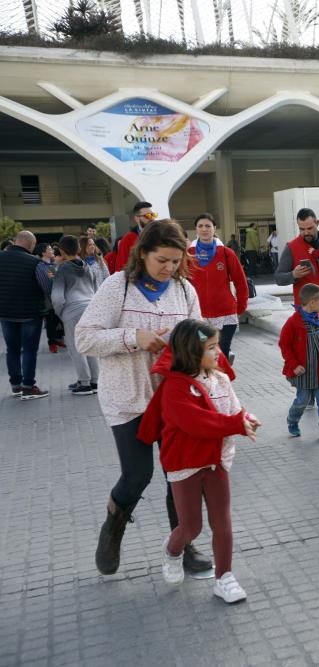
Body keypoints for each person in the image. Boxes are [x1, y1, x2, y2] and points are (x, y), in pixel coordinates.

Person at [76, 219, 214, 579]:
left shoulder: (184, 290)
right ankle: (113, 527)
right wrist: (134, 337)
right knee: (138, 474)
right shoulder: (117, 286)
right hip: (127, 398)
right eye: (161, 261)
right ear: (143, 254)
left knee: (180, 476)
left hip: (173, 400)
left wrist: (197, 350)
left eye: (174, 261)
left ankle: (182, 544)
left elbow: (199, 335)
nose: (168, 268)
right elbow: (85, 339)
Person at [138, 319, 260, 603]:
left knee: (223, 523)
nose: (218, 353)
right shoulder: (175, 388)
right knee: (191, 527)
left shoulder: (221, 379)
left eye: (217, 346)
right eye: (211, 348)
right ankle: (172, 550)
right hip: (185, 463)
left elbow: (234, 410)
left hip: (216, 461)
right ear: (191, 352)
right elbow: (197, 423)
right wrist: (236, 424)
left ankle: (225, 577)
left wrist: (247, 419)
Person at [274, 208, 319, 407]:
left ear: (316, 222)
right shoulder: (292, 247)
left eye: (310, 227)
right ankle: (309, 394)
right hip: (305, 312)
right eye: (302, 228)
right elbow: (279, 277)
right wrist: (294, 275)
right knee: (307, 353)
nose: (306, 232)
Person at [279, 283, 319, 441]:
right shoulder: (293, 322)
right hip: (304, 371)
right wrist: (294, 364)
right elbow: (284, 344)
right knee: (302, 401)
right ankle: (292, 422)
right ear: (312, 302)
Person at [187, 213, 249, 362]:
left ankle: (223, 382)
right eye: (200, 226)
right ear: (196, 229)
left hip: (225, 314)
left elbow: (241, 282)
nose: (204, 229)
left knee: (221, 353)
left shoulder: (226, 253)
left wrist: (240, 307)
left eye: (208, 226)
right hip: (198, 316)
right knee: (202, 354)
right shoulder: (189, 254)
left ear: (214, 229)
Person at [0, 230, 50, 400]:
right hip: (30, 313)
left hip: (5, 313)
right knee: (29, 350)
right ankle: (28, 386)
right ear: (31, 244)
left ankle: (15, 385)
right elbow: (47, 286)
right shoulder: (35, 262)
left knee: (12, 349)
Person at [51, 235, 101, 396]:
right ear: (79, 249)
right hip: (90, 308)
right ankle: (95, 381)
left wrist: (61, 313)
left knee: (76, 348)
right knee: (90, 345)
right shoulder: (88, 267)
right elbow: (96, 290)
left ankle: (84, 383)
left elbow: (57, 298)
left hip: (72, 311)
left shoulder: (62, 270)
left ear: (62, 251)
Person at [34, 243, 66, 354]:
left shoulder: (55, 264)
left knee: (60, 319)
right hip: (49, 299)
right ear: (43, 252)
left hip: (60, 296)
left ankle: (58, 339)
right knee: (51, 320)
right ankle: (52, 343)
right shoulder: (40, 267)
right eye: (49, 249)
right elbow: (46, 285)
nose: (52, 250)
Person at [113, 201, 155, 273]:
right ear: (137, 219)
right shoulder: (128, 239)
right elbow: (121, 266)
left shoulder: (160, 235)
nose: (151, 219)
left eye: (153, 215)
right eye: (148, 216)